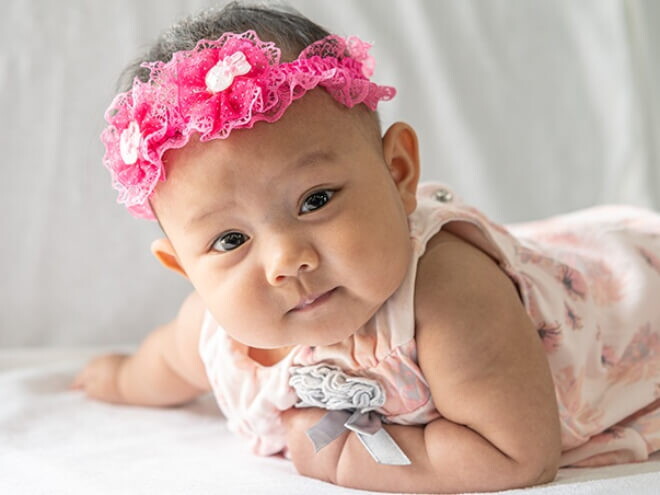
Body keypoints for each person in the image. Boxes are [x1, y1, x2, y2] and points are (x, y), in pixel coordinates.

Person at [71, 2, 660, 493]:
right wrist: (118, 378)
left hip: (628, 296)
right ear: (186, 269)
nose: (285, 260)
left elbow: (518, 456)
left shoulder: (449, 300)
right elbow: (162, 366)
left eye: (316, 200)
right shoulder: (215, 334)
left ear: (399, 172)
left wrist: (339, 458)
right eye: (230, 240)